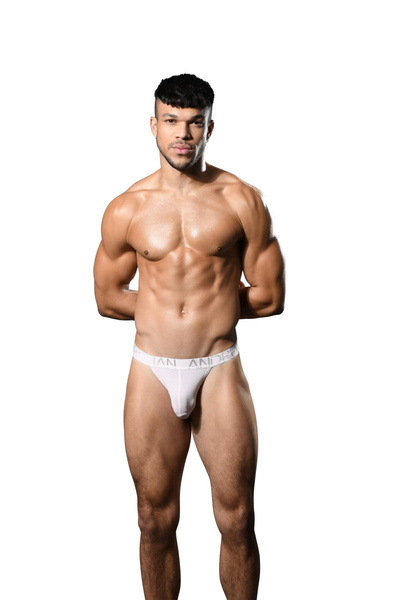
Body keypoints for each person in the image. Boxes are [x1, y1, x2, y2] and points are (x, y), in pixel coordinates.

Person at [93, 73, 285, 600]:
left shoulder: (242, 200)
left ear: (210, 128)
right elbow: (108, 297)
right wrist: (166, 314)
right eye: (172, 121)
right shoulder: (127, 208)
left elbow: (269, 296)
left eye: (195, 123)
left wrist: (207, 312)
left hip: (217, 367)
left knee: (238, 518)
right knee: (153, 520)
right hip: (151, 370)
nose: (183, 133)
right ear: (153, 126)